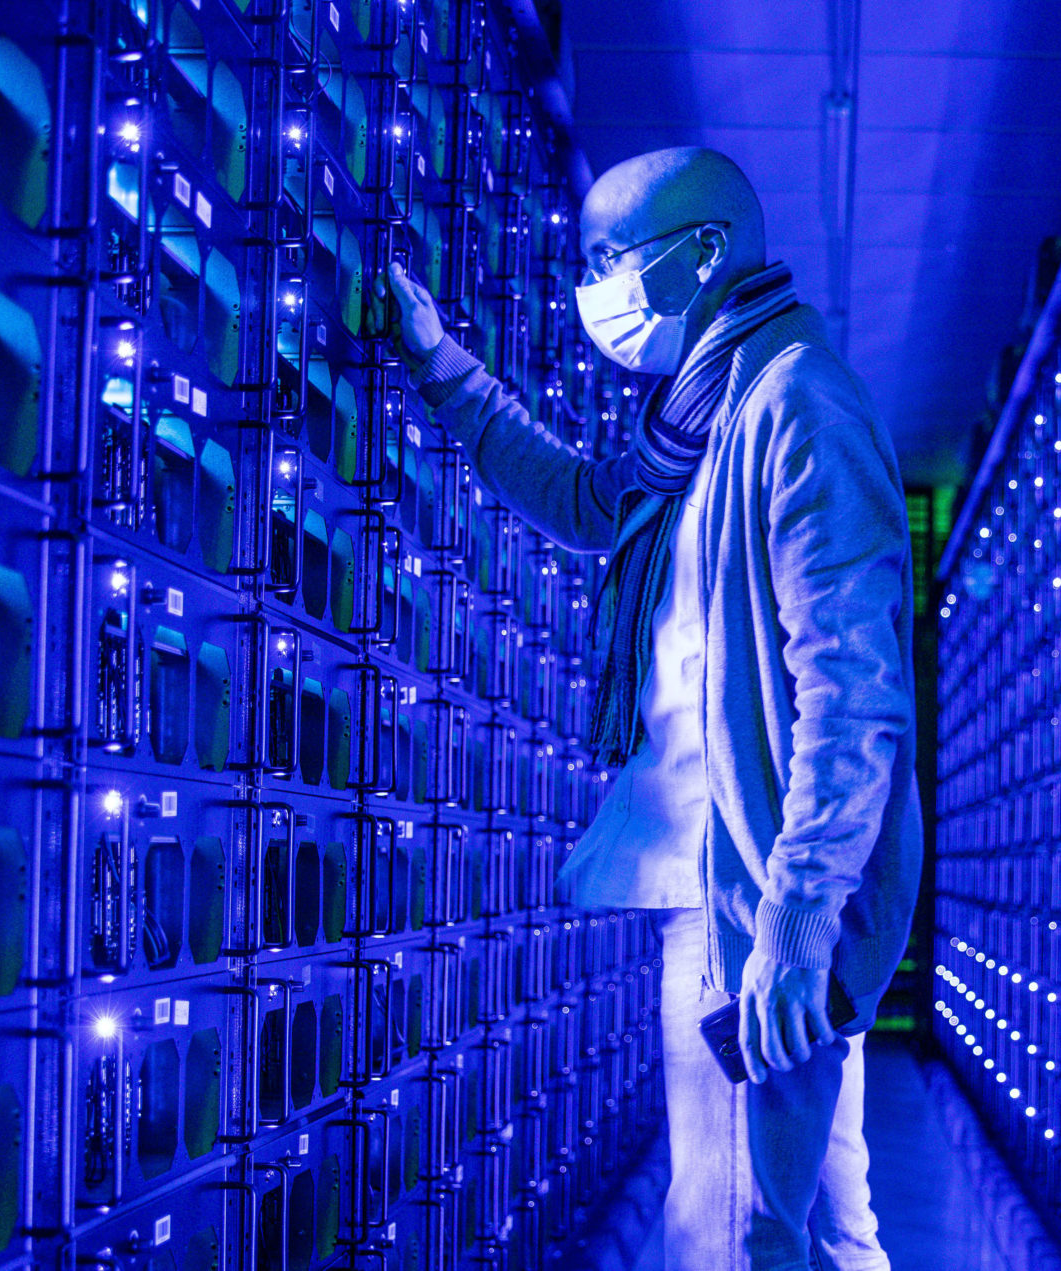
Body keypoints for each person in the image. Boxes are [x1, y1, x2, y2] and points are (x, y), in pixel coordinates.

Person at [380, 145, 920, 1271]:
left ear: (705, 251)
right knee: (829, 1223)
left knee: (727, 1232)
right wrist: (444, 368)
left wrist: (797, 910)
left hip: (751, 895)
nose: (596, 290)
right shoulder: (702, 429)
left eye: (611, 258)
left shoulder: (796, 410)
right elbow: (589, 500)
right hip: (739, 884)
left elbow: (854, 693)